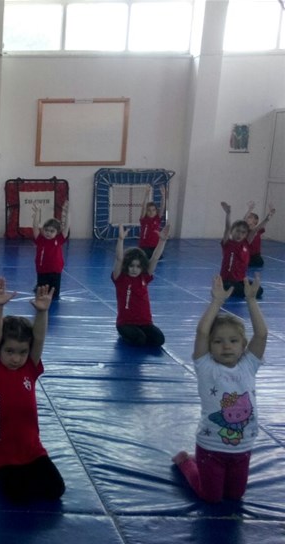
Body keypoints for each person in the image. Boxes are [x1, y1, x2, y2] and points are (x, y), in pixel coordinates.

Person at [172, 274, 267, 503]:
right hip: (211, 448)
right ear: (210, 347)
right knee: (211, 497)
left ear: (243, 346)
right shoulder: (206, 367)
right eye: (218, 341)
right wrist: (216, 302)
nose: (226, 346)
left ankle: (199, 464)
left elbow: (261, 334)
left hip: (242, 449)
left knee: (236, 495)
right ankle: (186, 461)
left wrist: (251, 300)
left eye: (233, 341)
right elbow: (202, 333)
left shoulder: (249, 365)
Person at [0, 276, 65, 503]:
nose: (16, 358)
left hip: (32, 450)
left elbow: (39, 338)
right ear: (0, 350)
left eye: (22, 352)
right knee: (18, 495)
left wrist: (42, 312)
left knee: (56, 489)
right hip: (3, 454)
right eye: (9, 351)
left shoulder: (29, 368)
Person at [111, 223, 170, 347]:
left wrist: (162, 241)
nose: (134, 269)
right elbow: (119, 259)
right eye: (131, 266)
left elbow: (154, 258)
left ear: (142, 267)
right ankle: (126, 334)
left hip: (145, 322)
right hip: (126, 323)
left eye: (138, 266)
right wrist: (120, 240)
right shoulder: (120, 279)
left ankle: (140, 332)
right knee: (140, 339)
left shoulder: (144, 277)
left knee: (159, 340)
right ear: (126, 266)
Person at [219, 202, 263, 298]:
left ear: (246, 234)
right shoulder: (227, 243)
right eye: (237, 231)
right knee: (232, 288)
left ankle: (245, 291)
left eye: (243, 233)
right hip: (227, 281)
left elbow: (255, 230)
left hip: (240, 280)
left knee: (259, 290)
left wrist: (268, 218)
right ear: (232, 231)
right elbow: (227, 228)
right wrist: (228, 214)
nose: (239, 234)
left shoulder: (246, 243)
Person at [31, 200, 69, 300]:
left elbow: (66, 227)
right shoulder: (40, 240)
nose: (48, 233)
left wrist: (67, 213)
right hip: (42, 270)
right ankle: (38, 286)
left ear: (57, 232)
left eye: (52, 231)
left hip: (55, 271)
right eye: (46, 230)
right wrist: (37, 212)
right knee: (41, 293)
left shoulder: (59, 240)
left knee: (55, 295)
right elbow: (35, 226)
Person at [244, 201, 276, 267]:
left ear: (255, 221)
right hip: (247, 255)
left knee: (259, 262)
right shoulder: (245, 229)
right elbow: (244, 220)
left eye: (250, 217)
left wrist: (270, 214)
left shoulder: (258, 229)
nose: (248, 218)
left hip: (256, 256)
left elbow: (265, 222)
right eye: (248, 217)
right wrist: (250, 209)